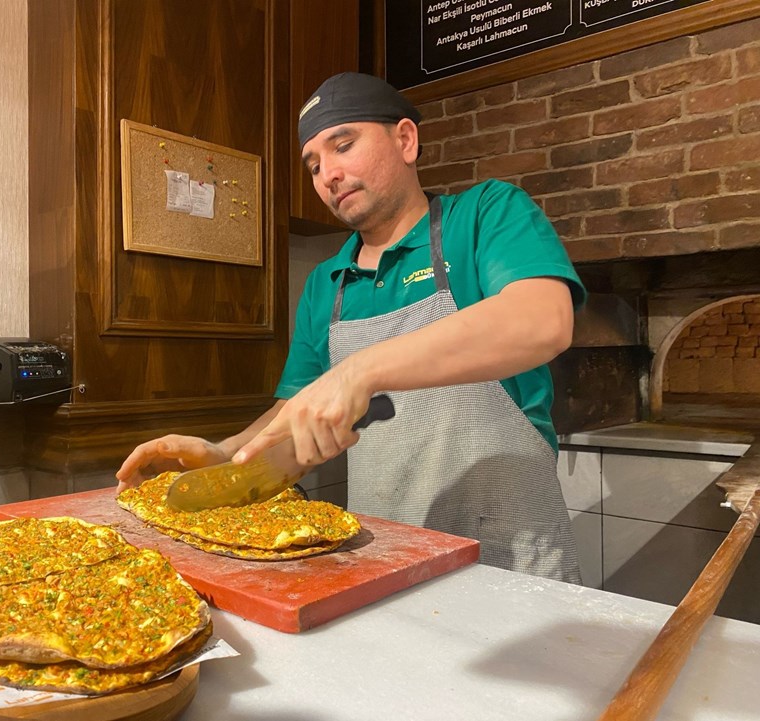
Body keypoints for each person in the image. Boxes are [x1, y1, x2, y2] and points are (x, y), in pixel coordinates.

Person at [117, 72, 586, 583]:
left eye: (343, 146)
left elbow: (543, 320)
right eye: (314, 165)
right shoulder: (327, 283)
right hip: (382, 561)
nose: (328, 175)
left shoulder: (483, 216)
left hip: (510, 557)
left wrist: (360, 371)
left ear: (405, 140)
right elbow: (298, 412)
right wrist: (227, 454)